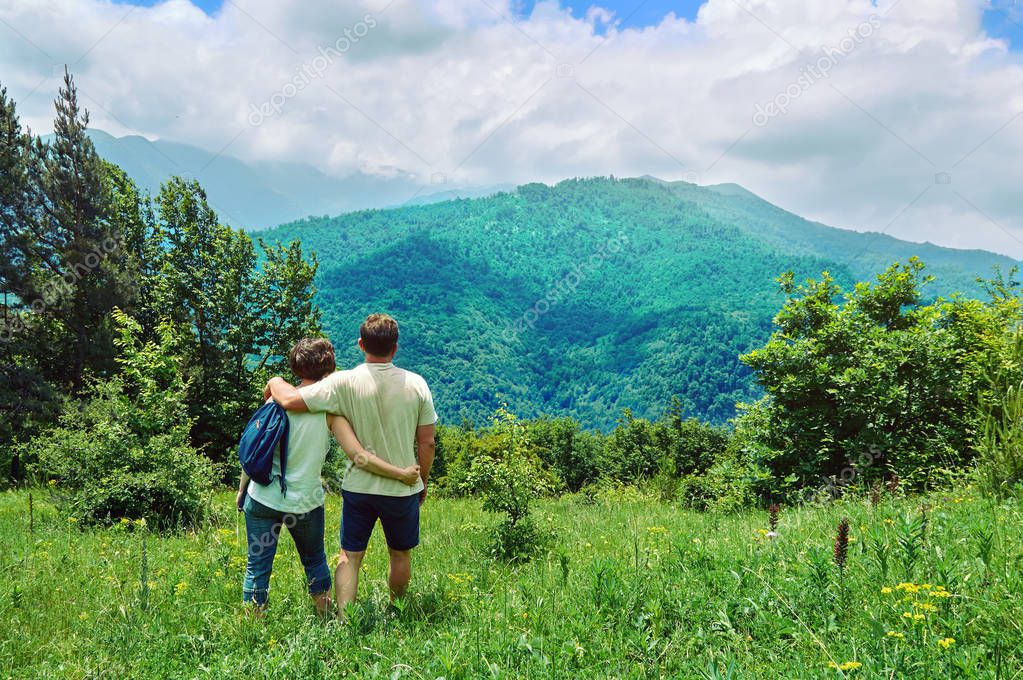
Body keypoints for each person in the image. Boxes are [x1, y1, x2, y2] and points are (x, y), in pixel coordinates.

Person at [265, 313, 437, 617]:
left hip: (359, 487)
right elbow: (427, 443)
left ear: (360, 344)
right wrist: (421, 478)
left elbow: (290, 400)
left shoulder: (342, 382)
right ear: (395, 348)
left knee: (350, 555)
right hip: (403, 488)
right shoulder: (417, 385)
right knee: (399, 554)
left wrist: (274, 380)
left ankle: (347, 619)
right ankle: (395, 611)